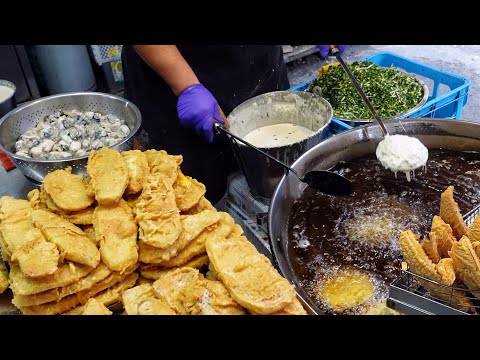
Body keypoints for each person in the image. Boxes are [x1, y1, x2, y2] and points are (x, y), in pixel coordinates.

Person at [121, 45, 344, 205]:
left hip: (258, 64)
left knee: (279, 179)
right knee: (194, 198)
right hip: (177, 79)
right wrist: (186, 86)